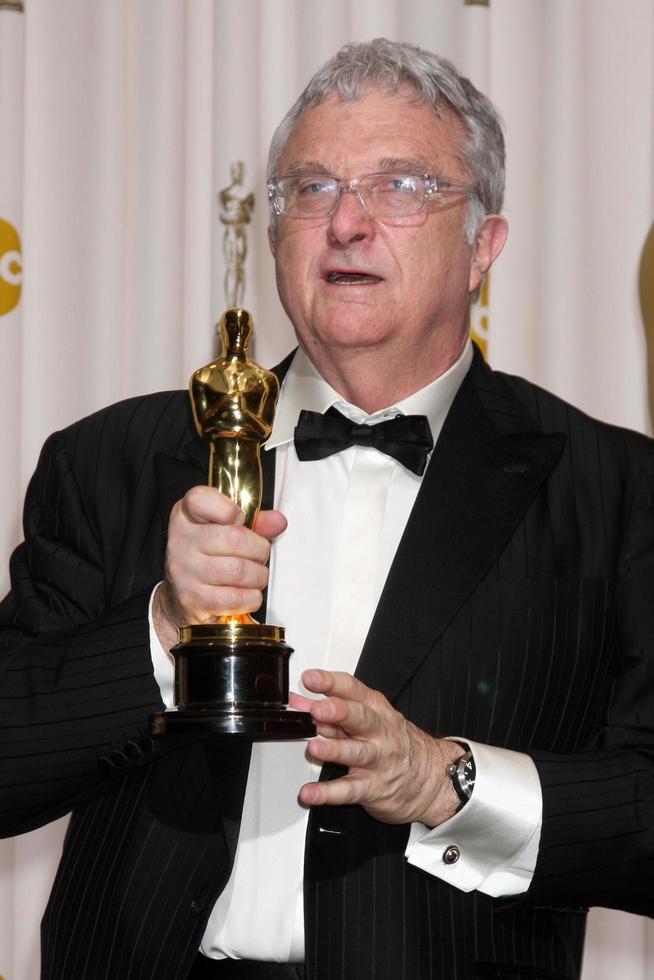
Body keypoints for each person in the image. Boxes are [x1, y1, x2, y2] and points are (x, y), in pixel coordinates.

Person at [1, 37, 654, 980]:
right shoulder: (112, 461)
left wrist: (451, 783)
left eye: (399, 187)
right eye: (309, 189)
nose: (345, 222)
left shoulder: (617, 493)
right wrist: (161, 630)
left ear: (484, 246)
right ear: (274, 237)